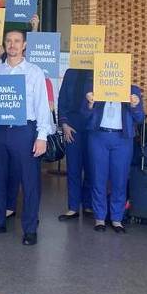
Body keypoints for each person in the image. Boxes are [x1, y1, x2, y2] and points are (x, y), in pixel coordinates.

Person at [0, 29, 54, 246]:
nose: (12, 45)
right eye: (9, 41)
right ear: (4, 44)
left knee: (30, 181)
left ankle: (30, 228)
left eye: (17, 41)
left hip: (24, 131)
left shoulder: (34, 72)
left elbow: (42, 107)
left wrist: (42, 136)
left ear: (24, 45)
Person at [84, 85, 145, 233]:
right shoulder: (95, 88)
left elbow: (140, 118)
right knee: (98, 178)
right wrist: (90, 104)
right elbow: (83, 116)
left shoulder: (133, 90)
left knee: (120, 179)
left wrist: (135, 105)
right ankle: (99, 218)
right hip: (98, 137)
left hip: (122, 139)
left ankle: (117, 218)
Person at [57, 66, 93, 221]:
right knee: (73, 167)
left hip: (93, 125)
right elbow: (62, 98)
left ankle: (88, 204)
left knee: (92, 167)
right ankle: (72, 208)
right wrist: (64, 123)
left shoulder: (99, 71)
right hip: (72, 125)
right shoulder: (70, 72)